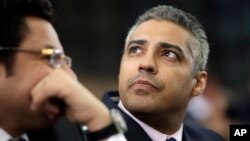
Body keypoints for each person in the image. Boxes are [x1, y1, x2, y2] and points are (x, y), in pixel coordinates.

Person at [0, 0, 127, 141]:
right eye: (50, 58)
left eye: (64, 62)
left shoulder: (69, 132)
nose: (71, 77)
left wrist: (103, 125)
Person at [101, 5, 226, 141]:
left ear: (198, 83)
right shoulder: (79, 134)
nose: (146, 64)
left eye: (169, 54)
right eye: (135, 50)